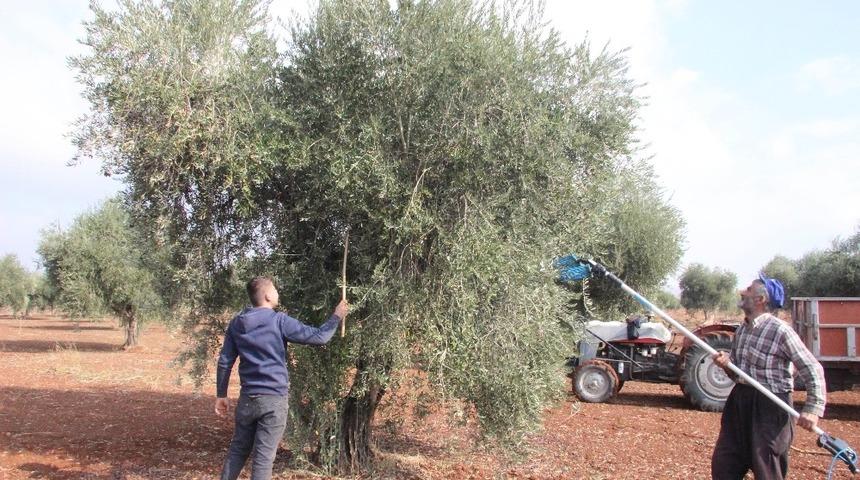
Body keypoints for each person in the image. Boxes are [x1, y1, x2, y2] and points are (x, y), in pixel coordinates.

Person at [215, 276, 348, 480]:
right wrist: (337, 316)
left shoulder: (236, 323)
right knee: (263, 459)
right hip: (273, 401)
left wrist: (221, 394)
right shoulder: (279, 321)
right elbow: (319, 337)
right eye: (275, 289)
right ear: (267, 295)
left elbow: (225, 360)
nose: (278, 292)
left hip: (248, 399)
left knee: (238, 450)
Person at [711, 273, 826, 480]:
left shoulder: (781, 331)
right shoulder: (742, 330)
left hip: (771, 407)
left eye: (748, 289)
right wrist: (727, 365)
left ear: (760, 300)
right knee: (724, 465)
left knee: (767, 469)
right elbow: (737, 373)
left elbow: (813, 368)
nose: (742, 292)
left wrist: (813, 409)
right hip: (740, 401)